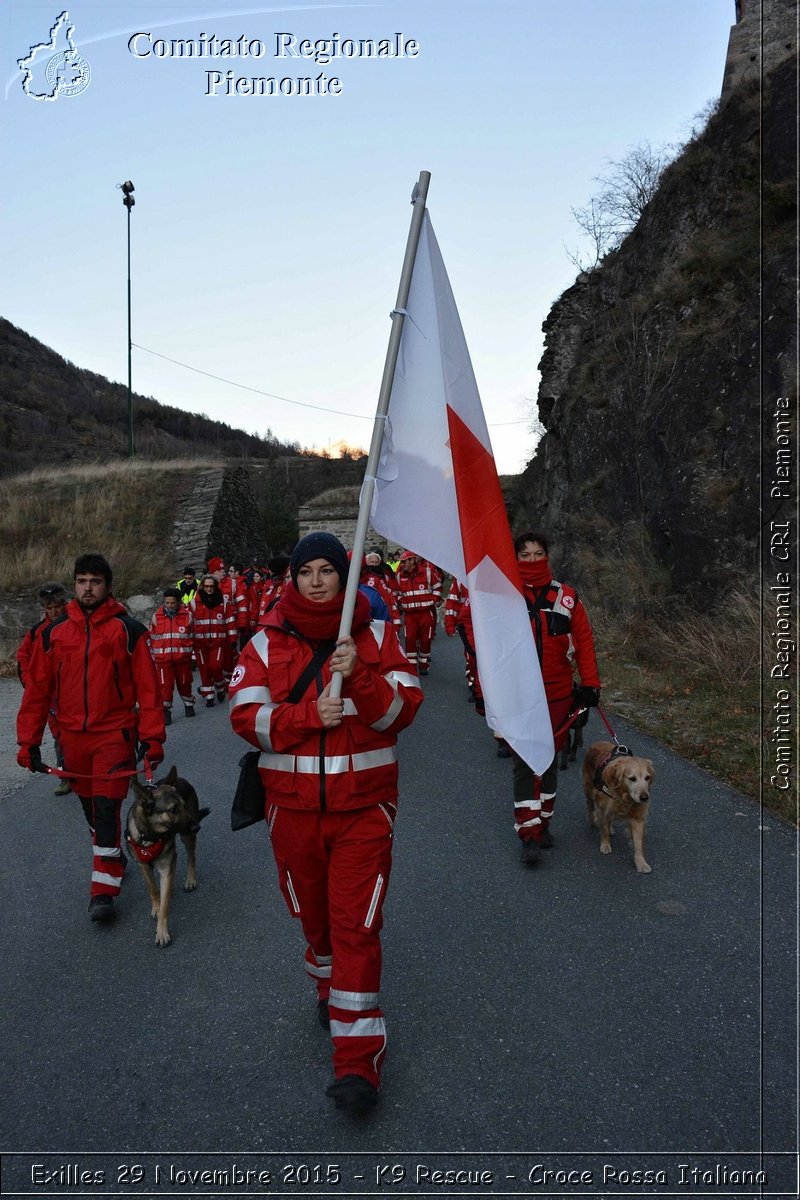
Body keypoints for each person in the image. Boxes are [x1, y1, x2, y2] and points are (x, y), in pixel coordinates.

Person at [229, 532, 423, 1113]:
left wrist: (360, 674)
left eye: (327, 571)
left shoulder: (380, 635)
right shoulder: (264, 641)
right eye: (306, 570)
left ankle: (358, 1062)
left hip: (364, 810)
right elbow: (246, 718)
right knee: (316, 925)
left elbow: (400, 714)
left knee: (355, 928)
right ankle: (325, 984)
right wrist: (308, 715)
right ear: (293, 578)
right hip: (290, 813)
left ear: (345, 578)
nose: (316, 580)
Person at [16, 554, 165, 923]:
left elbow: (149, 691)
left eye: (95, 581)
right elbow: (36, 691)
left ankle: (103, 890)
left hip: (114, 734)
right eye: (81, 581)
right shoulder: (53, 633)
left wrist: (153, 738)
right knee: (90, 809)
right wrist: (28, 742)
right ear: (75, 584)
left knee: (106, 806)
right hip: (72, 738)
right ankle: (111, 854)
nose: (87, 587)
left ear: (108, 586)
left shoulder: (129, 631)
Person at [511, 531, 601, 865]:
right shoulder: (505, 596)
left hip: (558, 692)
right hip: (518, 695)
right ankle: (528, 832)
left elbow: (584, 639)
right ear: (515, 558)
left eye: (538, 554)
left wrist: (591, 683)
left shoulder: (566, 596)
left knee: (549, 760)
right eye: (525, 555)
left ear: (547, 556)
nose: (533, 561)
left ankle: (544, 821)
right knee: (524, 764)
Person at [16, 581, 71, 795]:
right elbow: (23, 660)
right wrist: (33, 686)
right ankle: (66, 775)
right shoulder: (36, 633)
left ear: (64, 604)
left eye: (57, 606)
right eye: (49, 608)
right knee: (59, 736)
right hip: (52, 697)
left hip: (76, 691)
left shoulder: (77, 623)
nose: (54, 611)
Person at [149, 587, 195, 723]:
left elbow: (193, 637)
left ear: (178, 602)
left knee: (185, 683)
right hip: (163, 660)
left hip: (182, 659)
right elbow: (152, 639)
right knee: (165, 686)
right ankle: (166, 711)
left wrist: (193, 657)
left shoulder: (188, 616)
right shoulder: (156, 617)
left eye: (172, 603)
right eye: (167, 602)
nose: (169, 605)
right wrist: (153, 658)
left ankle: (188, 704)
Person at [190, 573, 236, 706]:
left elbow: (230, 621)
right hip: (200, 643)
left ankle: (220, 685)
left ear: (215, 587)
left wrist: (232, 639)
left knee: (215, 666)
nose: (209, 589)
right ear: (202, 587)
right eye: (206, 586)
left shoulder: (224, 602)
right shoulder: (193, 604)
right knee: (204, 669)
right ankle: (208, 695)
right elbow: (189, 624)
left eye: (211, 586)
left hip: (218, 642)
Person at [395, 551, 443, 674]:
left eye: (405, 561)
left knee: (426, 639)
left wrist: (433, 600)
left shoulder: (427, 572)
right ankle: (412, 667)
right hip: (410, 615)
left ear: (412, 560)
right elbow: (396, 593)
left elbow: (438, 587)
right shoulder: (399, 576)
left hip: (426, 613)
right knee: (410, 639)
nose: (402, 564)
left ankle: (423, 664)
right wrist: (402, 603)